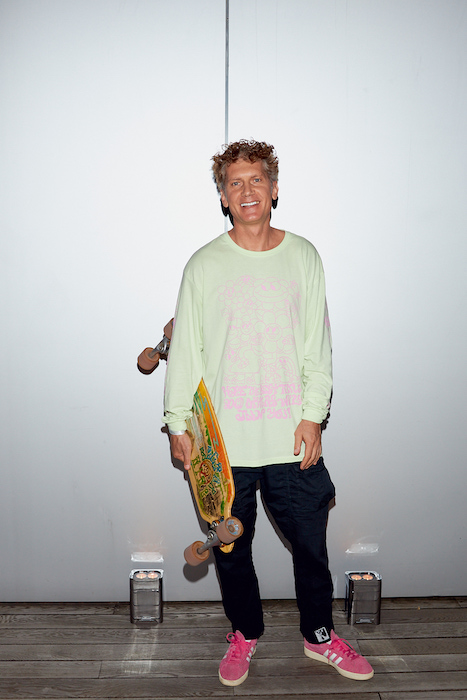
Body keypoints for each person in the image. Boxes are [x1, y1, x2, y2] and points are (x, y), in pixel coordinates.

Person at [163, 140, 374, 686]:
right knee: (231, 552)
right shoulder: (203, 265)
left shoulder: (303, 256)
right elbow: (186, 354)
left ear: (274, 188)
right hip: (221, 446)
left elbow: (317, 347)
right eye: (234, 183)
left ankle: (319, 636)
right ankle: (245, 632)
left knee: (311, 548)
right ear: (223, 197)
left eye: (256, 179)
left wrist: (313, 415)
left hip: (290, 438)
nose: (247, 190)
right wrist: (177, 424)